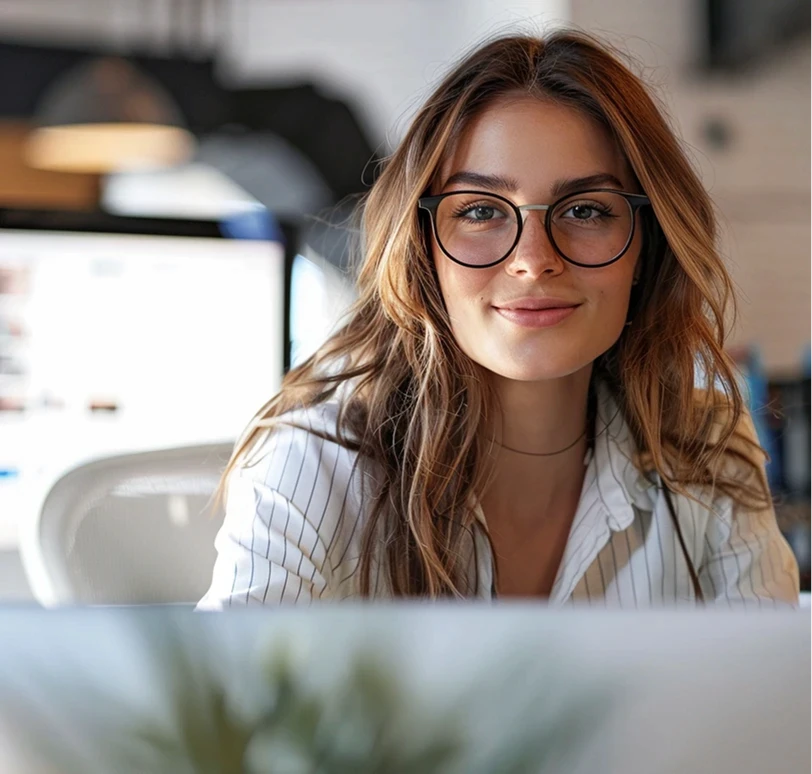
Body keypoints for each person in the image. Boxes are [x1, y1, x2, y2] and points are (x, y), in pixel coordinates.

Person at [198, 29, 799, 608]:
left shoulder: (704, 447)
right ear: (423, 246)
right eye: (482, 210)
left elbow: (775, 700)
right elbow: (218, 706)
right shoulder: (314, 464)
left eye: (586, 210)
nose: (533, 261)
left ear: (647, 244)